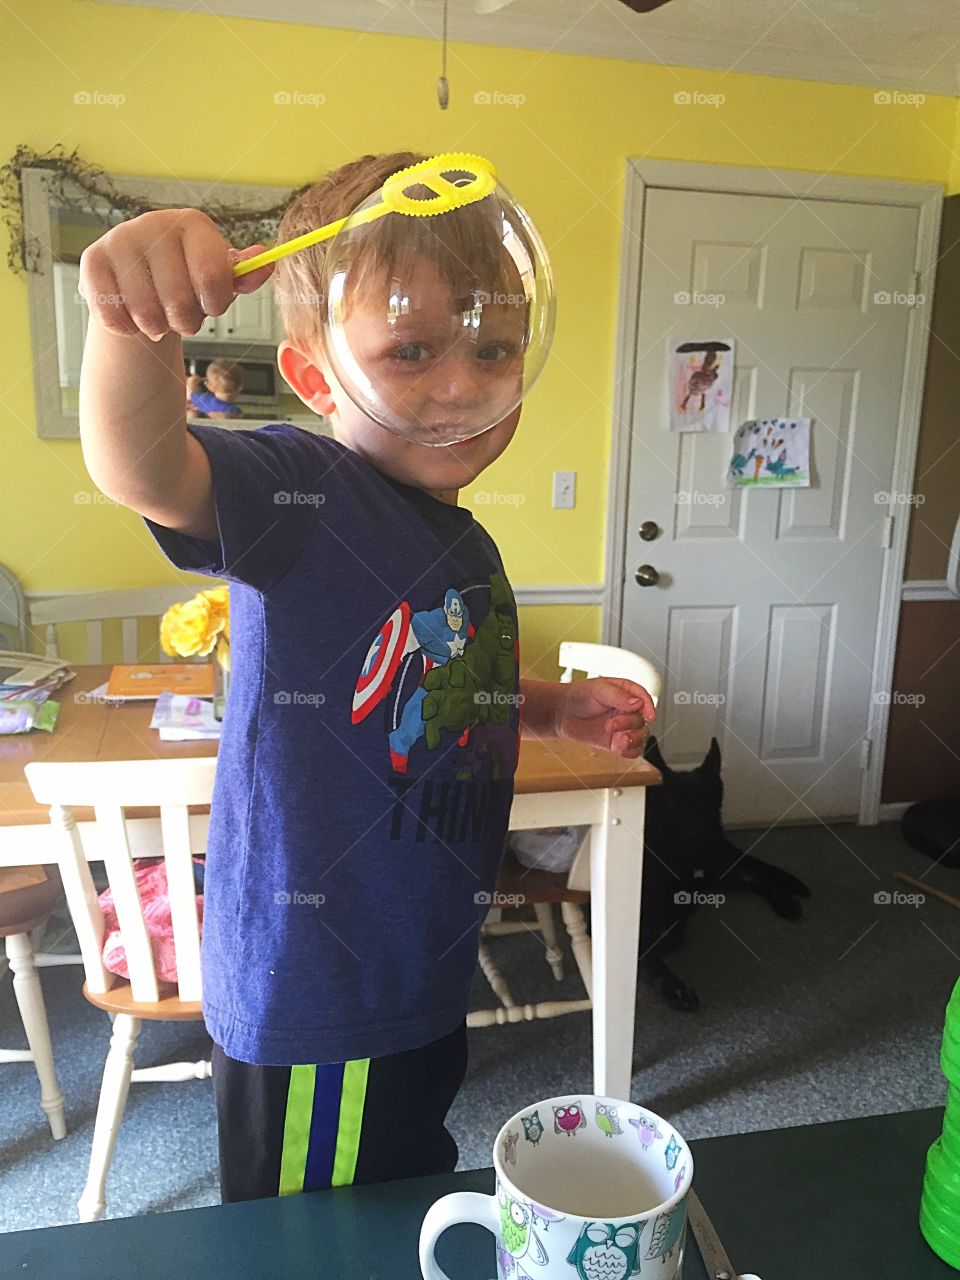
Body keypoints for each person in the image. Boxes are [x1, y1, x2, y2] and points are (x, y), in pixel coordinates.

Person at [76, 151, 656, 1203]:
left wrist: (551, 703)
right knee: (320, 1240)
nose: (462, 388)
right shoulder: (307, 491)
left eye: (495, 349)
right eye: (413, 350)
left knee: (397, 1194)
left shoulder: (454, 533)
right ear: (314, 376)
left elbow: (450, 680)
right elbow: (143, 465)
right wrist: (137, 325)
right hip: (320, 986)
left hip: (416, 958)